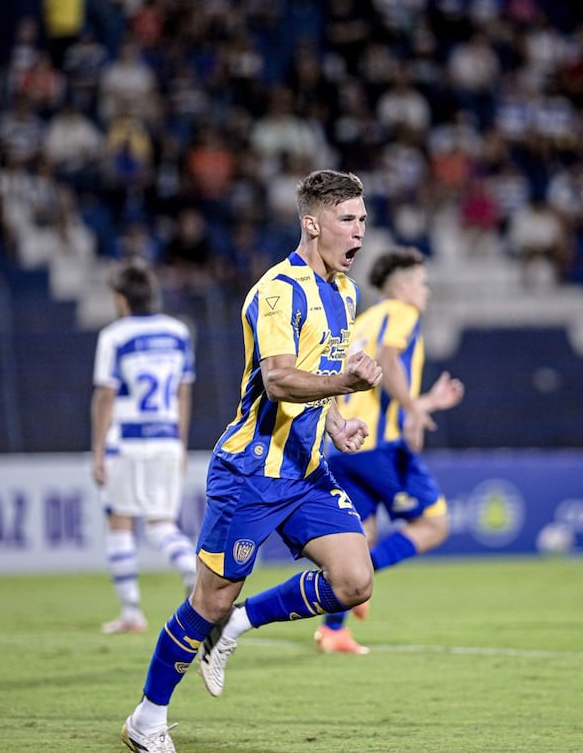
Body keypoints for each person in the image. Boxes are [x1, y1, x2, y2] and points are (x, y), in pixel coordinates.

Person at [120, 169, 383, 753]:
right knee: (209, 599)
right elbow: (280, 377)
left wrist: (338, 422)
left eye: (364, 219)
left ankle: (236, 628)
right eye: (348, 220)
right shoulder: (278, 290)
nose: (360, 232)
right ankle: (147, 718)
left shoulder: (345, 293)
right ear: (313, 224)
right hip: (249, 474)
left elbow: (320, 380)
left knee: (355, 580)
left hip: (306, 473)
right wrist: (345, 378)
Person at [312, 248, 464, 654]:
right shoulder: (402, 312)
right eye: (421, 282)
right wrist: (415, 409)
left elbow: (368, 386)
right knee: (435, 525)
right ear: (401, 286)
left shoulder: (362, 320)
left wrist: (424, 402)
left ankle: (333, 631)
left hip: (345, 444)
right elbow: (388, 360)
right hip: (380, 447)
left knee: (360, 538)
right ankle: (362, 579)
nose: (426, 291)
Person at [91, 257, 199, 635]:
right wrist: (181, 443)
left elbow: (105, 396)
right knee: (161, 525)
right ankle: (192, 571)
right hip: (167, 439)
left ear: (121, 300)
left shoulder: (115, 336)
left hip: (128, 442)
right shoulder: (178, 332)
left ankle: (132, 612)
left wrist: (98, 450)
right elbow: (184, 392)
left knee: (120, 522)